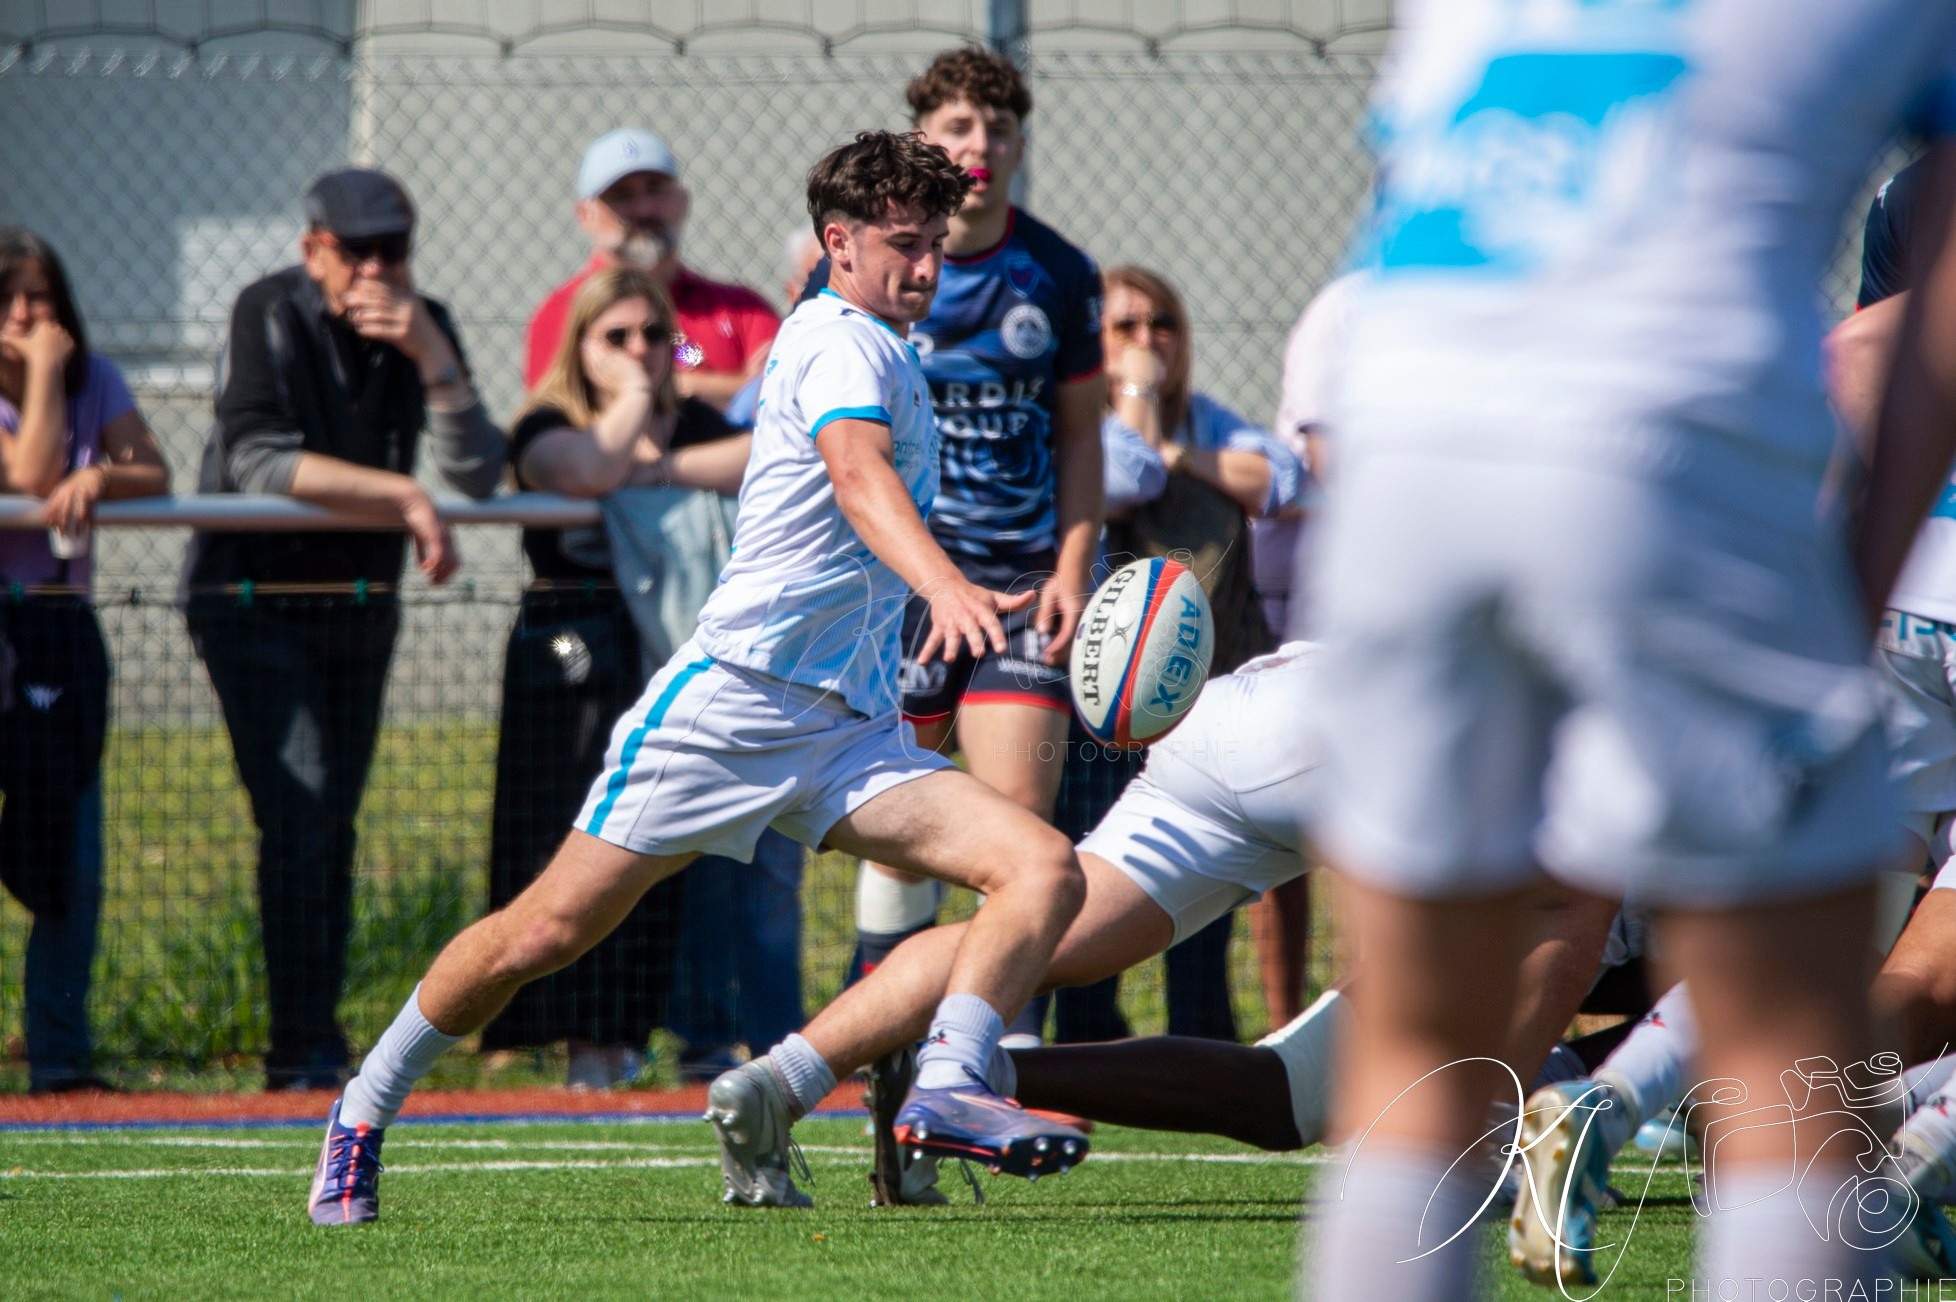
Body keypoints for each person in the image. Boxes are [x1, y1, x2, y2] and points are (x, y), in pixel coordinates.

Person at [307, 130, 1090, 1226]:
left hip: (846, 733)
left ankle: (946, 1089)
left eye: (938, 247)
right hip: (732, 704)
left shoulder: (884, 343)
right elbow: (858, 478)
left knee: (1042, 868)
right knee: (543, 935)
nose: (926, 268)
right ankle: (361, 1107)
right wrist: (947, 586)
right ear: (839, 243)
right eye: (903, 246)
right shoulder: (843, 342)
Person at [1300, 5, 1956, 1296]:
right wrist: (1857, 577)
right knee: (1787, 1056)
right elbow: (1922, 323)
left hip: (1401, 439)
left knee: (1417, 1044)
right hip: (1671, 435)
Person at [808, 643, 1613, 1206]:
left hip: (1233, 720)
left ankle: (789, 1077)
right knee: (1580, 898)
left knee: (1068, 934)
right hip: (1351, 739)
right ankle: (1486, 1131)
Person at [182, 168, 505, 1092]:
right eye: (355, 250)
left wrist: (435, 360)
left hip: (359, 603)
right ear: (312, 246)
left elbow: (479, 473)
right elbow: (253, 461)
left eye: (392, 250)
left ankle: (313, 1040)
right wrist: (402, 496)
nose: (375, 269)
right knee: (303, 808)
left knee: (331, 824)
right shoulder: (266, 311)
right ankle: (302, 1048)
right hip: (248, 601)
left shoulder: (422, 320)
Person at [822, 50, 1105, 1047]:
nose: (976, 145)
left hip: (1023, 585)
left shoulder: (1059, 274)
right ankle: (880, 1045)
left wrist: (1074, 568)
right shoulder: (867, 273)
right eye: (955, 127)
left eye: (996, 128)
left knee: (1019, 826)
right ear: (921, 142)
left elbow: (1080, 435)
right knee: (904, 834)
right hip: (908, 591)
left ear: (1020, 146)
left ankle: (999, 1052)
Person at [484, 266, 753, 1089]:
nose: (640, 352)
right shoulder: (545, 420)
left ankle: (636, 1032)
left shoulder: (695, 421)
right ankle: (574, 1044)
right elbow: (585, 470)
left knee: (652, 843)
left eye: (653, 337)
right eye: (617, 337)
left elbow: (770, 454)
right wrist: (635, 405)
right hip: (564, 663)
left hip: (661, 655)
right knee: (560, 842)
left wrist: (659, 463)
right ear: (581, 347)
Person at [1067, 263, 1304, 1042]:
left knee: (1198, 877)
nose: (1146, 342)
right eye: (1124, 328)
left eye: (1160, 325)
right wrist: (1137, 400)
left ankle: (1199, 1038)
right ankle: (1081, 1040)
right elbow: (1125, 474)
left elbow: (1284, 478)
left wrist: (1180, 453)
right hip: (1090, 700)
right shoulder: (1077, 421)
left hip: (1203, 691)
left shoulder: (1205, 419)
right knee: (1088, 865)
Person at [0, 227, 169, 1093]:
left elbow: (152, 466)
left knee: (69, 857)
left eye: (44, 297)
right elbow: (28, 476)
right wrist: (36, 375)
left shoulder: (94, 379)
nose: (31, 316)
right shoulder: (38, 382)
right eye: (12, 299)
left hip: (61, 634)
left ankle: (59, 1054)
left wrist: (104, 476)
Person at [524, 128, 780, 412]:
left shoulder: (743, 310)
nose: (644, 208)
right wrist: (728, 387)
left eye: (655, 190)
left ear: (682, 201)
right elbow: (559, 419)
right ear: (586, 215)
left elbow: (781, 401)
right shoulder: (563, 310)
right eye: (621, 196)